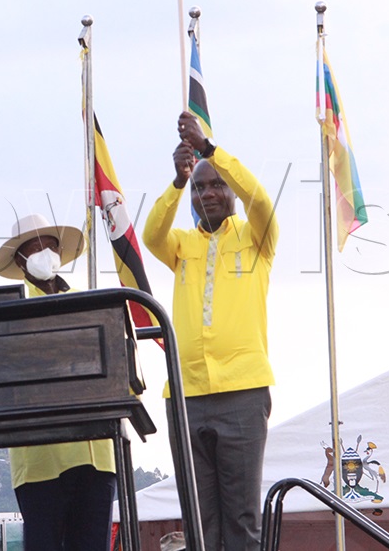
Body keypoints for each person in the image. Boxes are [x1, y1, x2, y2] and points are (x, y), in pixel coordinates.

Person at [143, 111, 279, 551]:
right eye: (200, 187)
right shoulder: (182, 245)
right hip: (187, 395)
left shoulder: (257, 237)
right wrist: (179, 181)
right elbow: (150, 234)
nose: (208, 193)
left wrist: (208, 150)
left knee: (241, 516)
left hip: (242, 391)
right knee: (200, 518)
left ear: (231, 192)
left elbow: (259, 198)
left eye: (216, 183)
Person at [0, 213, 116, 551]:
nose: (44, 251)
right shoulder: (9, 310)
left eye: (50, 245)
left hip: (97, 455)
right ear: (20, 260)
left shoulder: (89, 301)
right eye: (34, 247)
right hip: (40, 460)